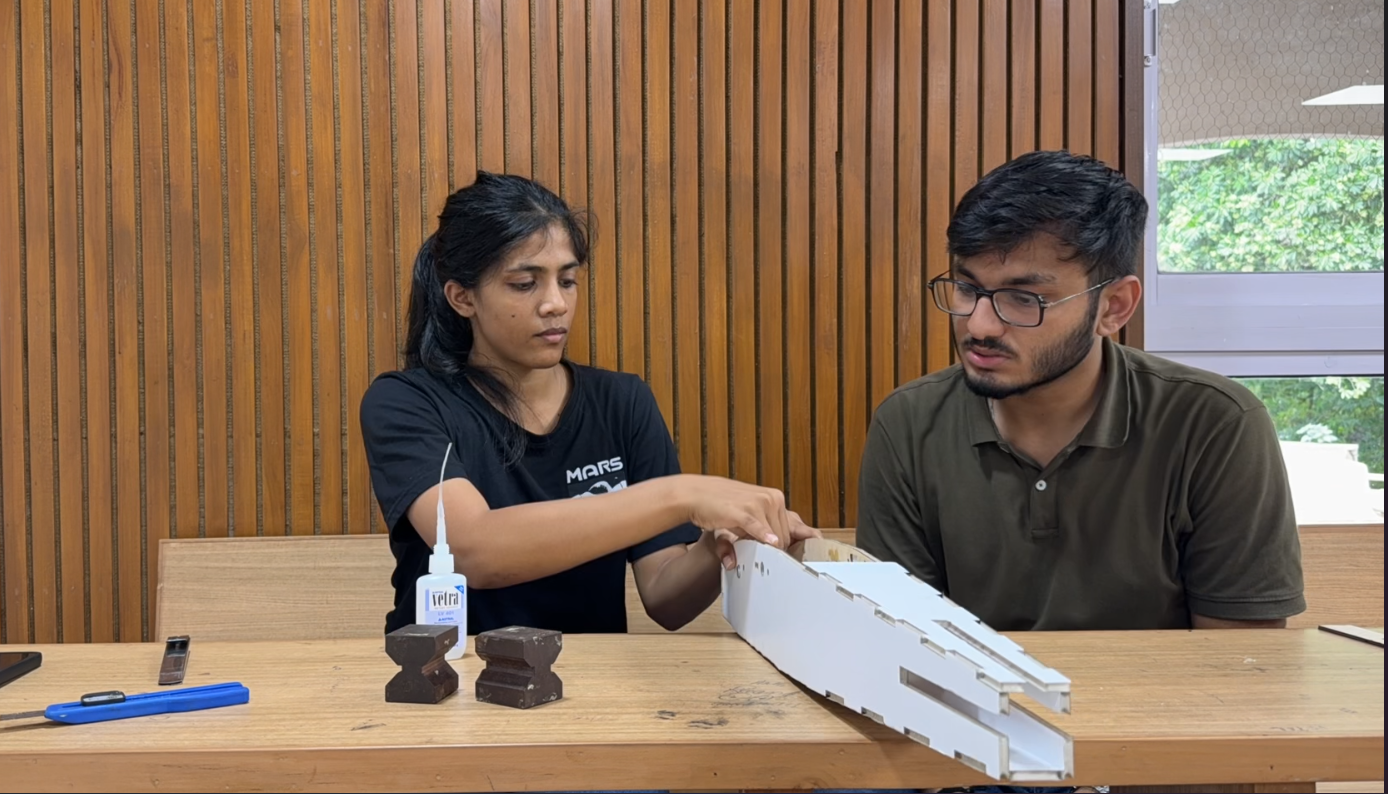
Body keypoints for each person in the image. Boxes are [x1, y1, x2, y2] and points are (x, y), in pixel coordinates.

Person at [856, 150, 1305, 632]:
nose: (979, 325)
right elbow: (901, 641)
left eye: (1023, 298)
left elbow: (1241, 658)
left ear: (1114, 307)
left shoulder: (1214, 425)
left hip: (1158, 686)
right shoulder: (910, 423)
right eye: (968, 289)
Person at [360, 171, 817, 637]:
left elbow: (665, 598)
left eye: (568, 280)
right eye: (525, 284)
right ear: (462, 298)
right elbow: (474, 551)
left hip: (591, 676)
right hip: (449, 673)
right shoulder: (406, 403)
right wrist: (681, 495)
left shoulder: (622, 402)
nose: (555, 304)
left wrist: (718, 546)